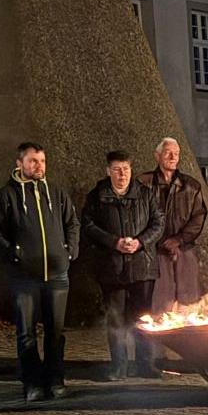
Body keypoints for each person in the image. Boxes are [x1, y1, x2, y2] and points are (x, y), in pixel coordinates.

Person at [0, 142, 79, 402]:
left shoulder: (56, 192)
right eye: (33, 161)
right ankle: (32, 383)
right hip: (23, 277)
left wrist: (70, 251)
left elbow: (72, 222)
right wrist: (14, 254)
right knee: (26, 333)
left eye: (42, 161)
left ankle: (55, 379)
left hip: (57, 275)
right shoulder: (6, 196)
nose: (39, 166)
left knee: (55, 332)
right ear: (20, 163)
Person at [83, 150, 163, 379]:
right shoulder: (96, 197)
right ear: (108, 171)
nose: (122, 174)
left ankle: (145, 363)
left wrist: (140, 242)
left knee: (143, 316)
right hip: (112, 267)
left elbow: (158, 223)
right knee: (115, 318)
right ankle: (118, 365)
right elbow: (88, 226)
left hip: (142, 265)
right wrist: (114, 242)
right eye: (117, 170)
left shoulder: (145, 194)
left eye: (126, 169)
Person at [142, 137, 207, 325]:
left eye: (176, 154)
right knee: (160, 304)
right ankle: (161, 342)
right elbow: (140, 217)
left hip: (184, 249)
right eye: (168, 153)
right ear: (157, 156)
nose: (173, 157)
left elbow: (199, 216)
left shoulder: (191, 185)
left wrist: (179, 240)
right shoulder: (144, 183)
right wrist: (157, 240)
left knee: (189, 301)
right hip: (155, 251)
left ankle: (189, 340)